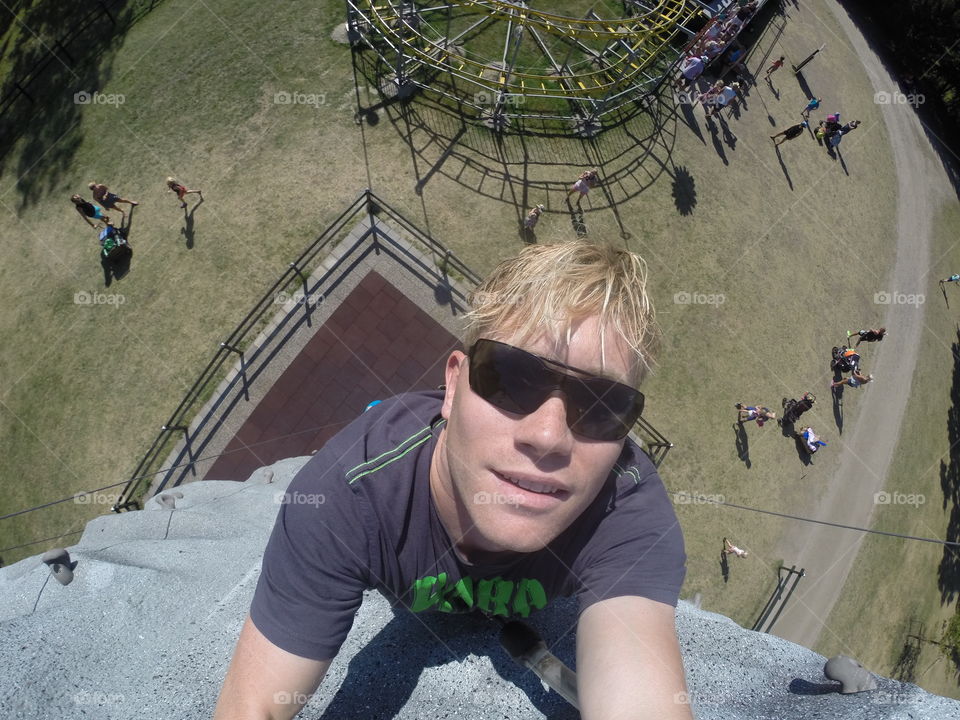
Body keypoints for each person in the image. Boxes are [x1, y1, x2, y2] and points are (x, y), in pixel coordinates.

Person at [214, 242, 692, 720]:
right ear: (453, 384)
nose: (548, 437)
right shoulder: (345, 495)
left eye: (602, 405)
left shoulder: (625, 510)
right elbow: (254, 705)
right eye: (512, 378)